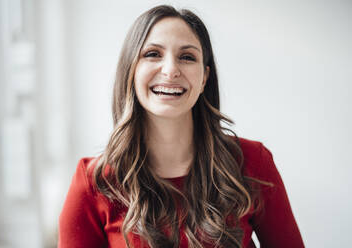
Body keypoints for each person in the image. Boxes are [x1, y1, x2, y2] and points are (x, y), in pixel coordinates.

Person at [58, 5, 305, 248]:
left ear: (204, 77)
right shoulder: (94, 182)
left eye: (187, 57)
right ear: (131, 71)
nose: (171, 70)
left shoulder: (252, 162)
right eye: (153, 54)